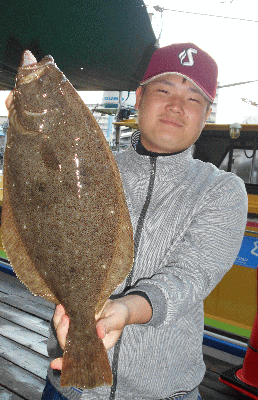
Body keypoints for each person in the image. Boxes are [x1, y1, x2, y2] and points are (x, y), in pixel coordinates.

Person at [41, 43, 248, 400]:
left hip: (165, 393)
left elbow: (189, 278)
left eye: (194, 99)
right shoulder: (86, 170)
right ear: (138, 97)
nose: (176, 106)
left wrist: (124, 309)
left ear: (206, 115)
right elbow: (49, 235)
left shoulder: (224, 191)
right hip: (72, 383)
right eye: (164, 90)